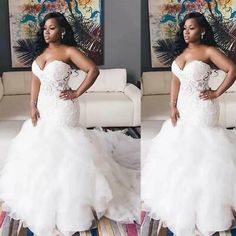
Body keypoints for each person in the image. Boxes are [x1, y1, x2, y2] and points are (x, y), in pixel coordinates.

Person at [0, 12, 140, 236]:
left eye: (52, 28)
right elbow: (36, 79)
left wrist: (76, 92)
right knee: (41, 147)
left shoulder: (69, 51)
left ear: (62, 30)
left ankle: (73, 202)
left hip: (63, 109)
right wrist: (32, 105)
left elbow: (92, 70)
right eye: (45, 28)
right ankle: (43, 194)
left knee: (67, 150)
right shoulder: (42, 53)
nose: (47, 32)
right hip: (44, 107)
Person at [142, 12, 236, 236]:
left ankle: (209, 205)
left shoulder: (209, 51)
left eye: (191, 28)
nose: (186, 31)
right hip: (184, 108)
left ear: (201, 30)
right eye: (184, 28)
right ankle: (183, 198)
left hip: (203, 109)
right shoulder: (181, 53)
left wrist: (216, 92)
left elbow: (232, 70)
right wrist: (172, 105)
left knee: (204, 152)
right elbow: (176, 80)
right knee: (181, 150)